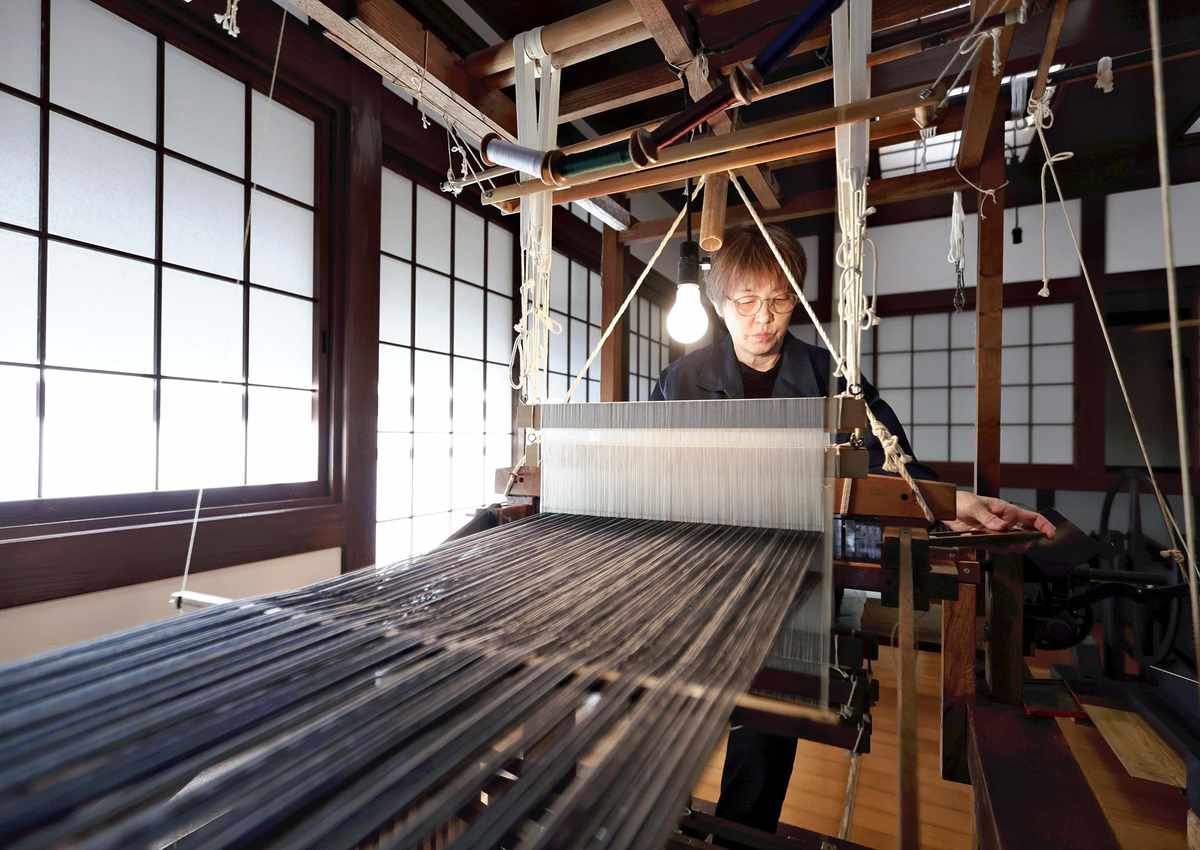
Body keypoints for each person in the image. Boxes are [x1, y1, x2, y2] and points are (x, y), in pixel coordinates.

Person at [651, 223, 1054, 836]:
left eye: (780, 300)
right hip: (707, 568)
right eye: (747, 302)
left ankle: (742, 833)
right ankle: (654, 816)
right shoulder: (680, 384)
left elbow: (897, 464)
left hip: (801, 571)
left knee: (768, 718)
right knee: (675, 708)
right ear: (716, 301)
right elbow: (647, 474)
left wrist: (954, 501)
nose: (764, 318)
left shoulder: (830, 376)